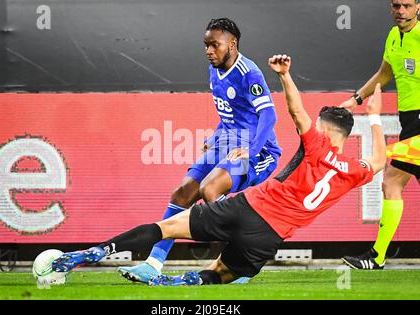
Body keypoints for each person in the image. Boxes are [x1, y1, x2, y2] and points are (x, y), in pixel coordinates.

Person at [51, 55, 386, 285]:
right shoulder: (354, 171)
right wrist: (374, 117)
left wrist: (284, 76)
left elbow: (295, 112)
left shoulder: (316, 145)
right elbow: (380, 160)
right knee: (220, 273)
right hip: (268, 239)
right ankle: (176, 279)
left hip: (250, 207)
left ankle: (95, 252)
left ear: (325, 128)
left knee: (168, 225)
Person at [117, 18, 282, 283]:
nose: (208, 51)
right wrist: (215, 137)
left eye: (214, 45)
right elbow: (231, 114)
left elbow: (269, 117)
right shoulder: (215, 69)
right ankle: (153, 263)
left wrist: (251, 151)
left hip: (257, 151)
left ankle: (240, 260)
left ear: (232, 43)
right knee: (182, 193)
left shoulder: (249, 73)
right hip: (228, 141)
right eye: (206, 45)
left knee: (210, 189)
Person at [341, 0, 420, 270]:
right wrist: (357, 98)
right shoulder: (393, 37)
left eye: (407, 5)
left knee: (391, 181)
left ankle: (377, 255)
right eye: (396, 5)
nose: (401, 10)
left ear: (418, 8)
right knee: (392, 183)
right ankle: (377, 255)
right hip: (410, 121)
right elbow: (384, 73)